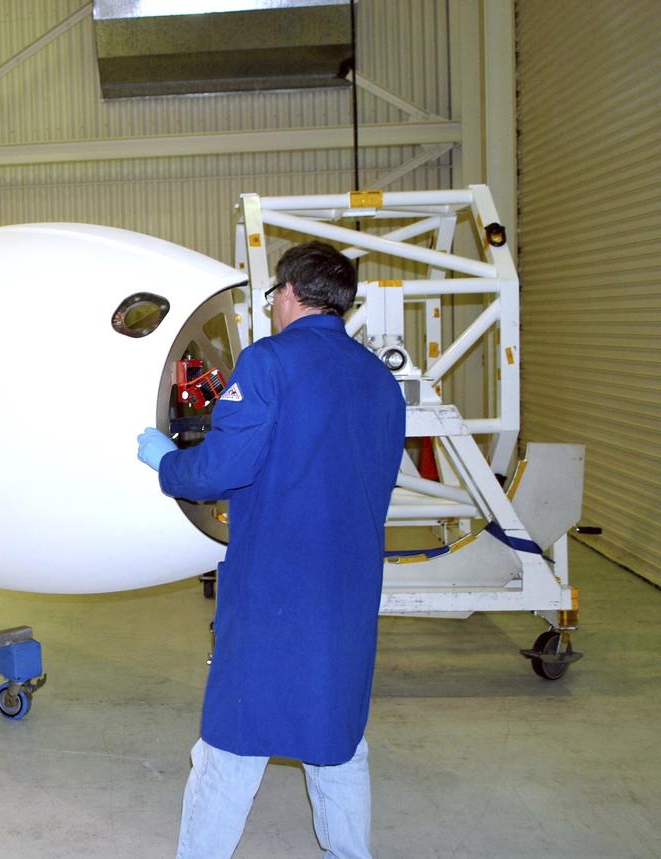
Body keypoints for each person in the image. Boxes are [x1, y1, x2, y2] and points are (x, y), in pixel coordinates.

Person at [137, 241, 405, 858]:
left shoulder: (267, 363)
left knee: (232, 741)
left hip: (274, 592)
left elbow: (219, 471)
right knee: (338, 743)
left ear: (288, 293)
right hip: (349, 591)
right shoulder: (379, 380)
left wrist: (168, 462)